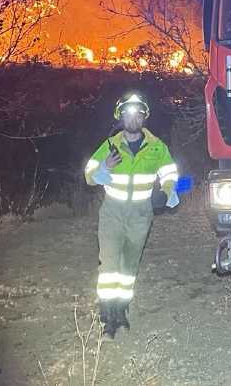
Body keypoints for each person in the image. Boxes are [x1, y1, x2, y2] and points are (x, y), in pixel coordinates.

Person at [83, 93, 179, 338]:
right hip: (112, 214)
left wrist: (166, 193)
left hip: (140, 216)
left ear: (143, 117)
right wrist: (105, 167)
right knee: (110, 264)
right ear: (120, 116)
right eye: (127, 112)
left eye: (137, 113)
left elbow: (170, 174)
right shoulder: (110, 145)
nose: (132, 117)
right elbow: (89, 175)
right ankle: (107, 315)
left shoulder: (157, 147)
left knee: (129, 266)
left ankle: (122, 310)